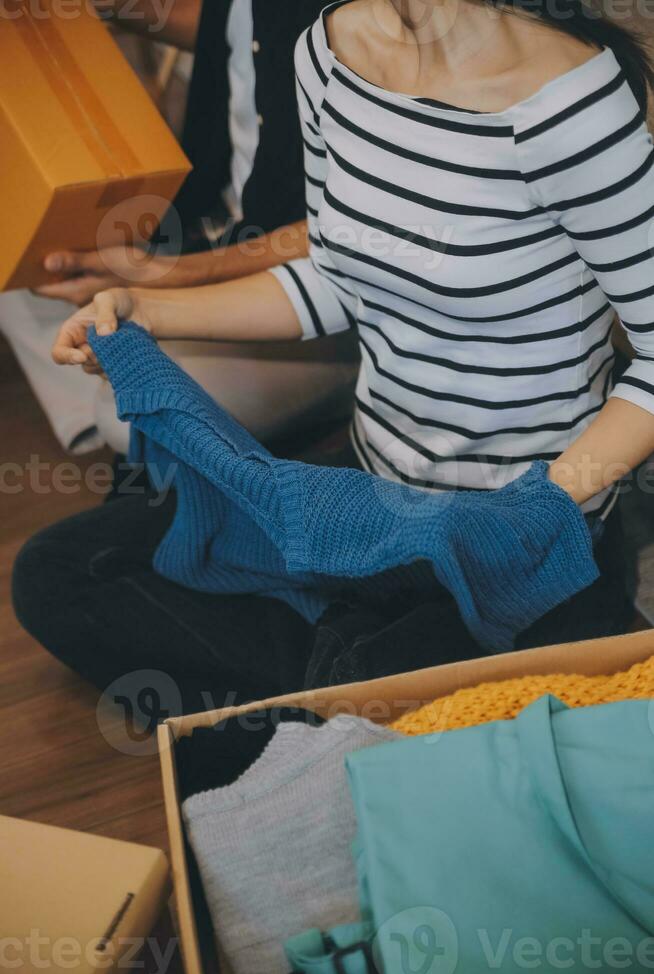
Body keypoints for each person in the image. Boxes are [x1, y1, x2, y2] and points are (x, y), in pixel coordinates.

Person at [14, 0, 654, 714]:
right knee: (61, 572)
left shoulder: (575, 106)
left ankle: (355, 679)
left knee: (351, 686)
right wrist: (147, 311)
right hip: (372, 497)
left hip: (519, 541)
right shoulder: (328, 47)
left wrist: (535, 512)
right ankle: (356, 681)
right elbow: (335, 273)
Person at [0, 0, 357, 454]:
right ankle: (118, 437)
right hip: (212, 224)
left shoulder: (374, 32)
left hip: (332, 296)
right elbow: (239, 29)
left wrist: (163, 275)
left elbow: (349, 230)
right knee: (22, 255)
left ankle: (338, 397)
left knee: (134, 413)